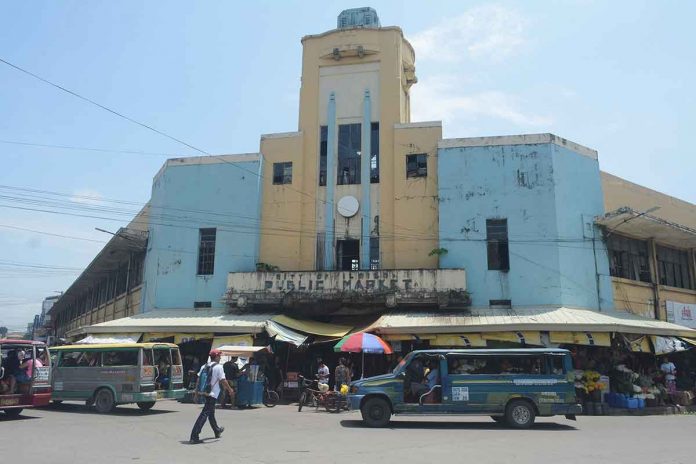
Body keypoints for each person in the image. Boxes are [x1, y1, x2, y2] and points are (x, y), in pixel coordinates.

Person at [190, 350, 234, 444]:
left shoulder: (204, 366)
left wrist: (196, 393)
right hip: (212, 394)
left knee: (211, 412)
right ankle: (194, 435)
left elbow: (198, 380)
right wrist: (230, 390)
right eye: (220, 356)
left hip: (204, 392)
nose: (220, 358)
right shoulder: (219, 367)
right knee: (205, 413)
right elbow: (223, 380)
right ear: (216, 357)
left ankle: (216, 430)